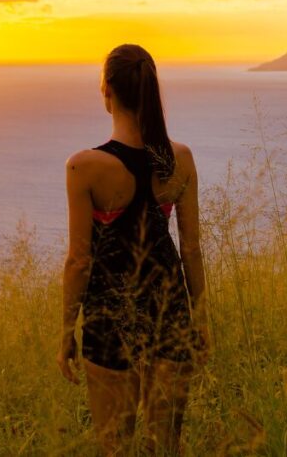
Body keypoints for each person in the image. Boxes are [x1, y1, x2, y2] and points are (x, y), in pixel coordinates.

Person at [58, 44, 210, 456]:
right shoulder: (181, 159)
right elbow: (191, 250)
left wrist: (65, 332)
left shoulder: (83, 167)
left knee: (115, 448)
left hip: (109, 317)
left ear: (106, 91)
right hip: (171, 310)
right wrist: (200, 319)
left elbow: (79, 261)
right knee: (167, 446)